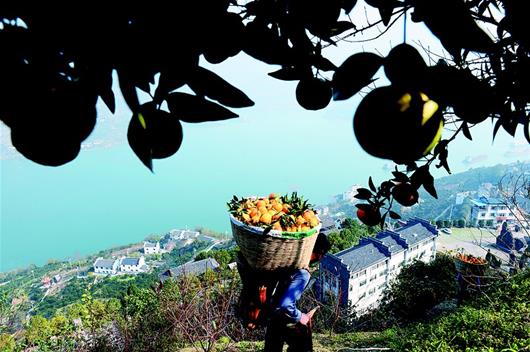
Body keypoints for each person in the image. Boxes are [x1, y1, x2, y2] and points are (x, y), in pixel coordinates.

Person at [236, 232, 331, 352]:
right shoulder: (303, 273)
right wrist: (301, 316)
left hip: (270, 315)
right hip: (281, 317)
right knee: (303, 344)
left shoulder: (287, 261)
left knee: (272, 348)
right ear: (319, 253)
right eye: (322, 254)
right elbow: (286, 304)